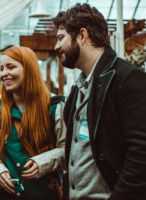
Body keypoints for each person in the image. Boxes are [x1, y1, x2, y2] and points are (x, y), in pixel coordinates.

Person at [52, 3, 146, 200]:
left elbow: (140, 156)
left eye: (61, 38)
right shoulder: (78, 89)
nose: (56, 46)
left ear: (82, 35)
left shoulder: (128, 80)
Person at [0, 46, 66, 200]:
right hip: (5, 196)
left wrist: (43, 162)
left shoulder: (54, 106)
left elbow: (68, 150)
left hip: (43, 194)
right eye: (2, 68)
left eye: (11, 67)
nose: (4, 73)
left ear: (29, 69)